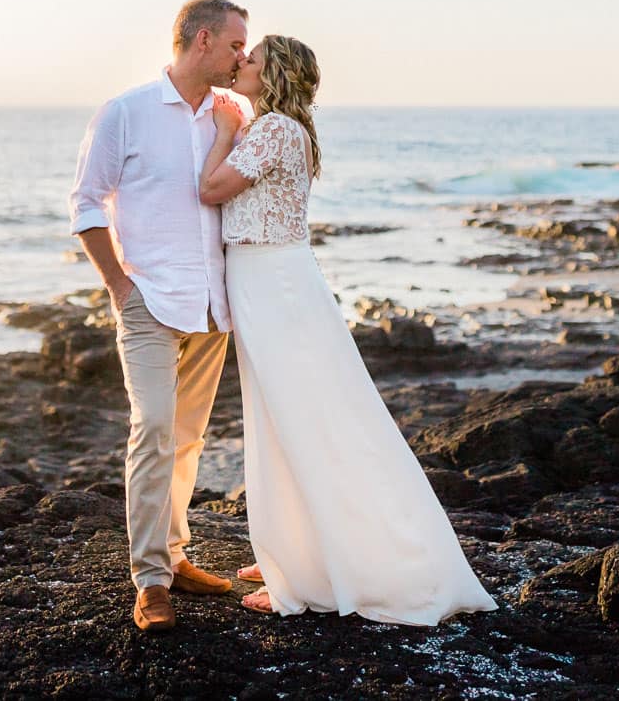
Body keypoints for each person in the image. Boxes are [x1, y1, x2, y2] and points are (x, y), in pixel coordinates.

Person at [198, 35, 499, 625]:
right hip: (271, 280)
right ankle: (297, 547)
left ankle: (309, 568)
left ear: (275, 74)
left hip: (273, 284)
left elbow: (210, 190)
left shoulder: (274, 129)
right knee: (287, 417)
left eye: (252, 59)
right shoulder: (289, 129)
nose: (241, 64)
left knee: (299, 418)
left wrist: (226, 132)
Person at [68, 0, 249, 632]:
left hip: (211, 306)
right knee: (152, 431)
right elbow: (87, 205)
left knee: (190, 438)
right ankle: (150, 581)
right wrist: (119, 287)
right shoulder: (127, 112)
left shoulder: (234, 116)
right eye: (233, 46)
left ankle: (174, 556)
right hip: (148, 300)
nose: (240, 57)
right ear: (201, 41)